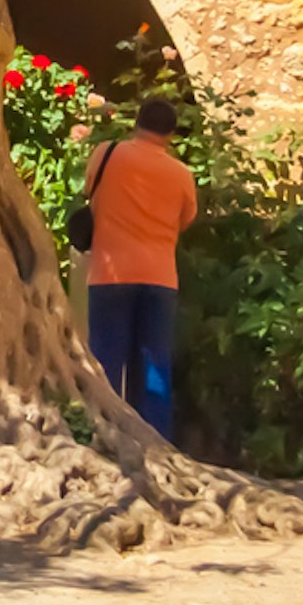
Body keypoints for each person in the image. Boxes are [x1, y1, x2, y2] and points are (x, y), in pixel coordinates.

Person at [83, 95, 198, 438]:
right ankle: (154, 443)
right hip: (160, 277)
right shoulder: (181, 174)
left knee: (106, 361)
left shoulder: (107, 154)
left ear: (137, 121)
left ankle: (104, 436)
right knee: (154, 367)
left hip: (109, 273)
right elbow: (186, 219)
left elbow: (89, 189)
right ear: (172, 133)